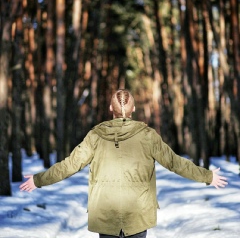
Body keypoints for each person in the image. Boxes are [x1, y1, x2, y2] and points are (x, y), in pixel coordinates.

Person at [20, 89, 228, 238]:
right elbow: (175, 163)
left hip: (105, 214)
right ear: (134, 109)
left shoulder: (95, 136)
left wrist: (39, 180)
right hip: (137, 214)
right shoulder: (148, 136)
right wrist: (208, 176)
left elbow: (69, 165)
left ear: (111, 108)